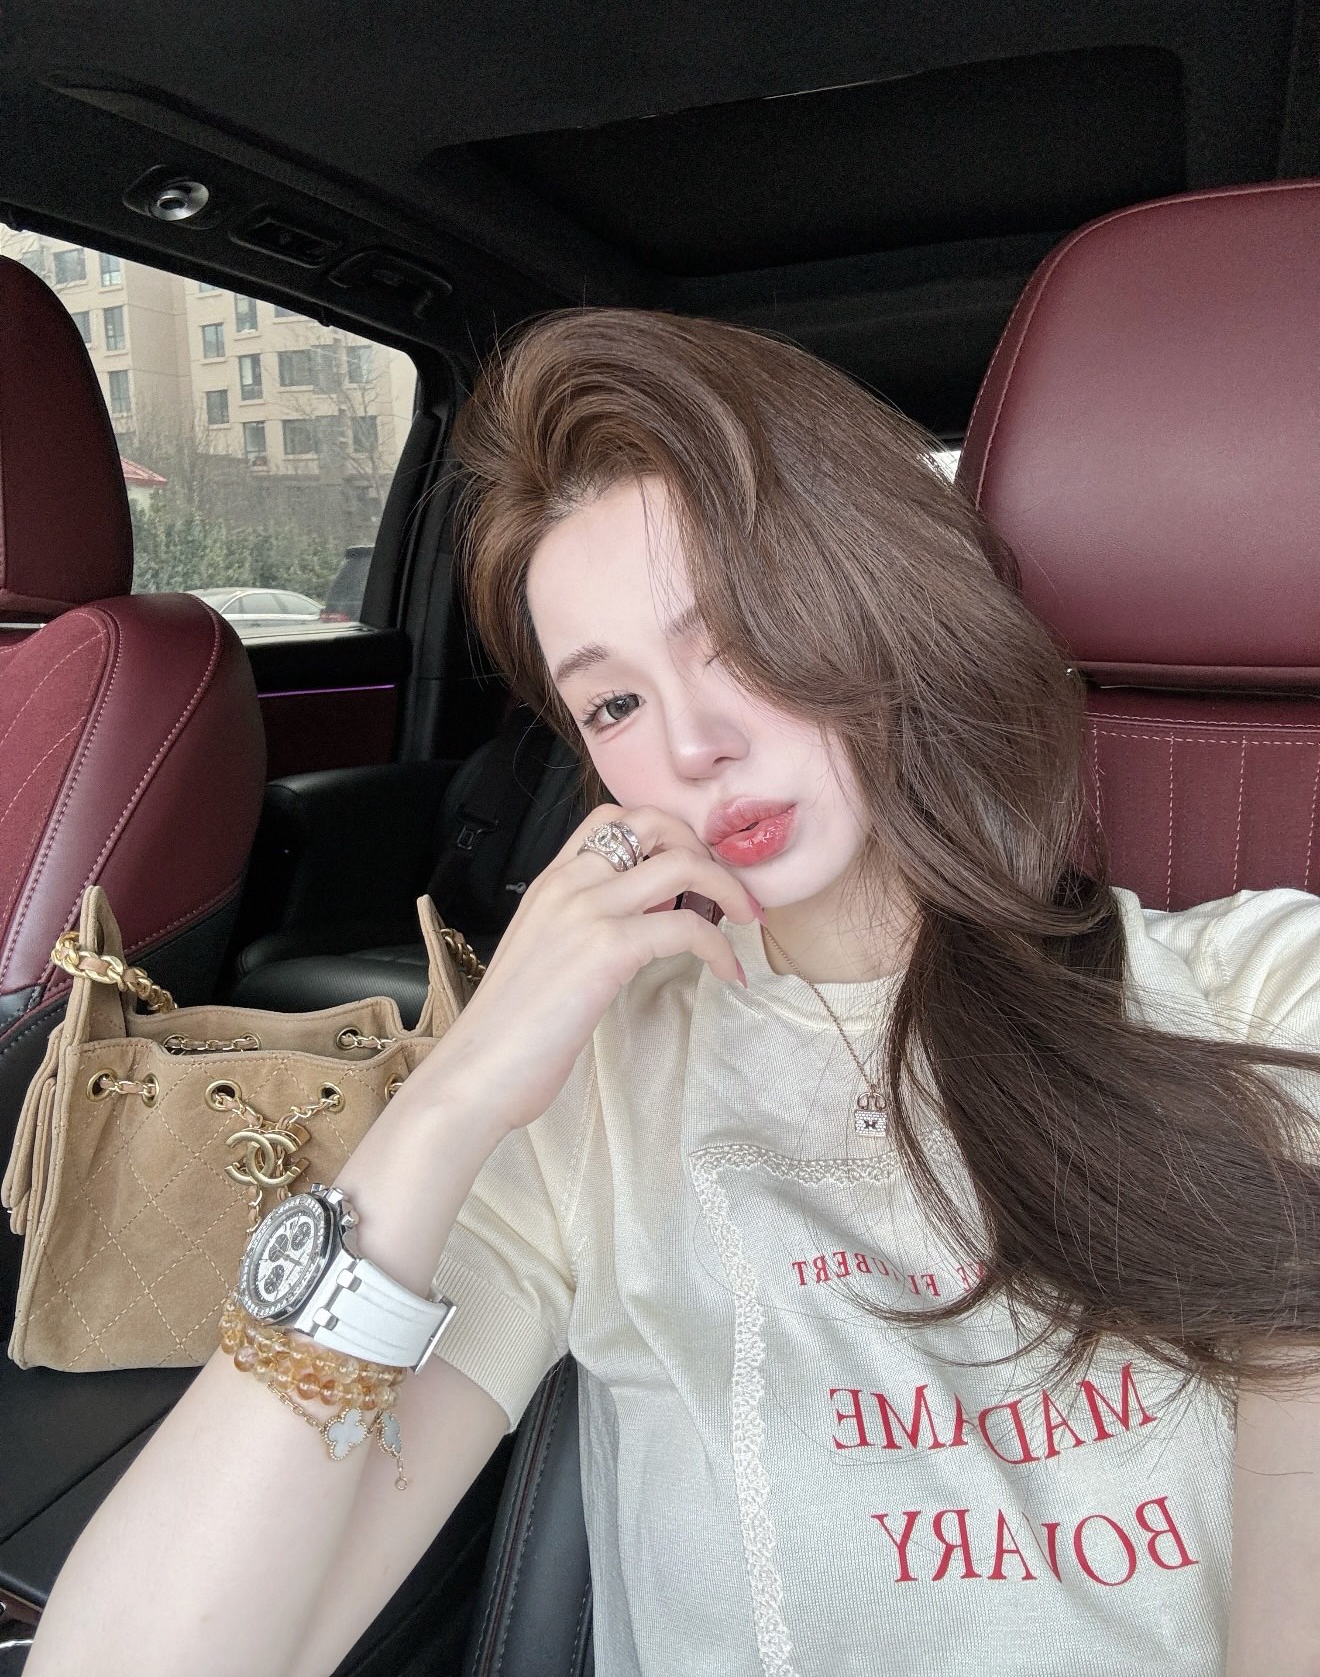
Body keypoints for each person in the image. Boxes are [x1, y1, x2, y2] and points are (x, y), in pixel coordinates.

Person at [25, 309, 1320, 1677]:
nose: (695, 744)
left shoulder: (1262, 998)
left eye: (741, 637)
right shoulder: (590, 1097)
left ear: (888, 604)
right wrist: (447, 1101)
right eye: (614, 706)